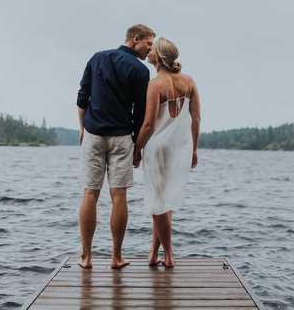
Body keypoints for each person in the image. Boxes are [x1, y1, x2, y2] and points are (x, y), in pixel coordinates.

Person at [76, 24, 155, 269]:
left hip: (94, 133)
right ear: (136, 39)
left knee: (90, 192)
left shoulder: (97, 57)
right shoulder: (141, 71)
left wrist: (82, 129)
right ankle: (116, 257)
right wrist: (138, 148)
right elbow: (140, 115)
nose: (150, 50)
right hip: (122, 137)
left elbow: (82, 96)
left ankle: (86, 258)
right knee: (119, 195)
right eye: (149, 44)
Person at [132, 37, 201, 268]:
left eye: (152, 50)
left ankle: (169, 255)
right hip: (179, 148)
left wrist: (136, 150)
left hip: (157, 148)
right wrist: (194, 148)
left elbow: (149, 125)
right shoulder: (189, 81)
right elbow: (196, 118)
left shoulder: (155, 84)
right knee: (164, 202)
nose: (149, 51)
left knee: (157, 203)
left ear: (159, 58)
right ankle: (153, 254)